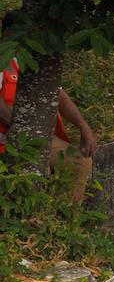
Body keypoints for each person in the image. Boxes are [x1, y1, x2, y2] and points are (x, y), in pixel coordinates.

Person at [0, 58, 99, 202]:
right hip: (10, 135)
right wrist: (18, 125)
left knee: (80, 161)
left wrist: (84, 126)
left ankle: (67, 218)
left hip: (31, 134)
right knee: (40, 170)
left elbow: (58, 95)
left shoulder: (26, 58)